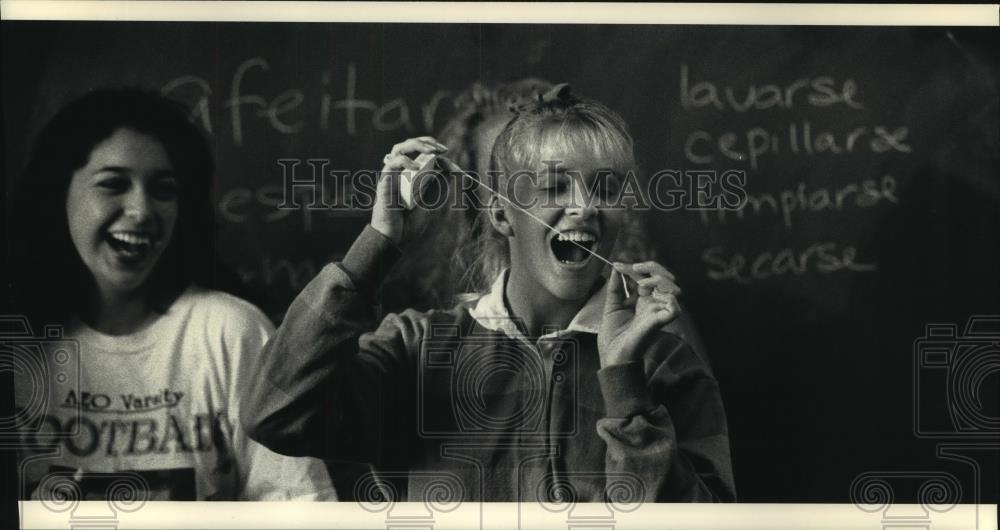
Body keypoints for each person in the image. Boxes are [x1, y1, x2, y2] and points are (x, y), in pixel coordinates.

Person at [242, 84, 735, 502]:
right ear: (501, 216)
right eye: (555, 186)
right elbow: (275, 412)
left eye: (605, 188)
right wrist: (378, 243)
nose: (585, 207)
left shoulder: (665, 364)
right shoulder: (415, 348)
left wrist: (625, 385)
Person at [11, 88, 335, 501]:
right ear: (58, 193)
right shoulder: (17, 343)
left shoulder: (229, 330)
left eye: (163, 189)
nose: (142, 210)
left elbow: (300, 506)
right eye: (113, 184)